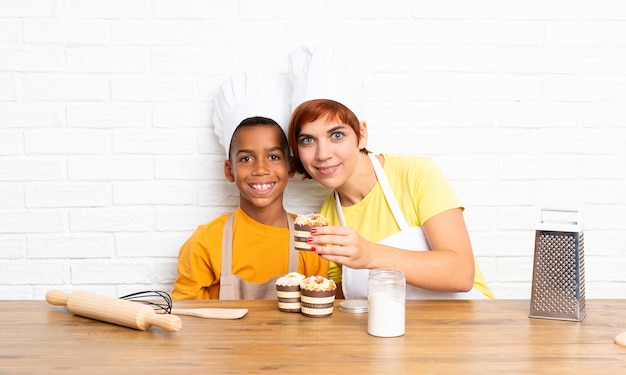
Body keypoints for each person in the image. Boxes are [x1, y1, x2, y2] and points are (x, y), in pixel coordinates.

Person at [287, 42, 494, 300]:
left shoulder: (415, 174)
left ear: (361, 135)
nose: (322, 154)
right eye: (308, 140)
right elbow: (345, 300)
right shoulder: (327, 217)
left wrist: (370, 254)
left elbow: (460, 273)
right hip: (395, 334)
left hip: (468, 327)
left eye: (336, 135)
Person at [172, 72, 328, 300]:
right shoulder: (206, 242)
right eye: (246, 159)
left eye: (273, 157)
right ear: (229, 171)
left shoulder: (310, 241)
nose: (260, 169)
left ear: (291, 166)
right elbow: (183, 317)